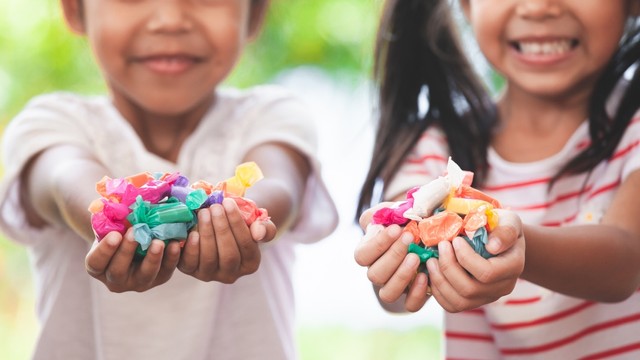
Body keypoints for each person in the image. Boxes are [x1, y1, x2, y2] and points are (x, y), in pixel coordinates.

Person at [0, 0, 338, 359]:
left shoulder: (274, 117)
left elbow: (278, 188)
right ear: (74, 9)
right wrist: (115, 223)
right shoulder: (50, 122)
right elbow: (62, 178)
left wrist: (243, 217)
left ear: (255, 13)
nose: (170, 20)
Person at [355, 0, 640, 358]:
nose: (538, 8)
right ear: (466, 5)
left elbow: (624, 263)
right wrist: (393, 249)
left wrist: (516, 244)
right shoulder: (433, 147)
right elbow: (395, 293)